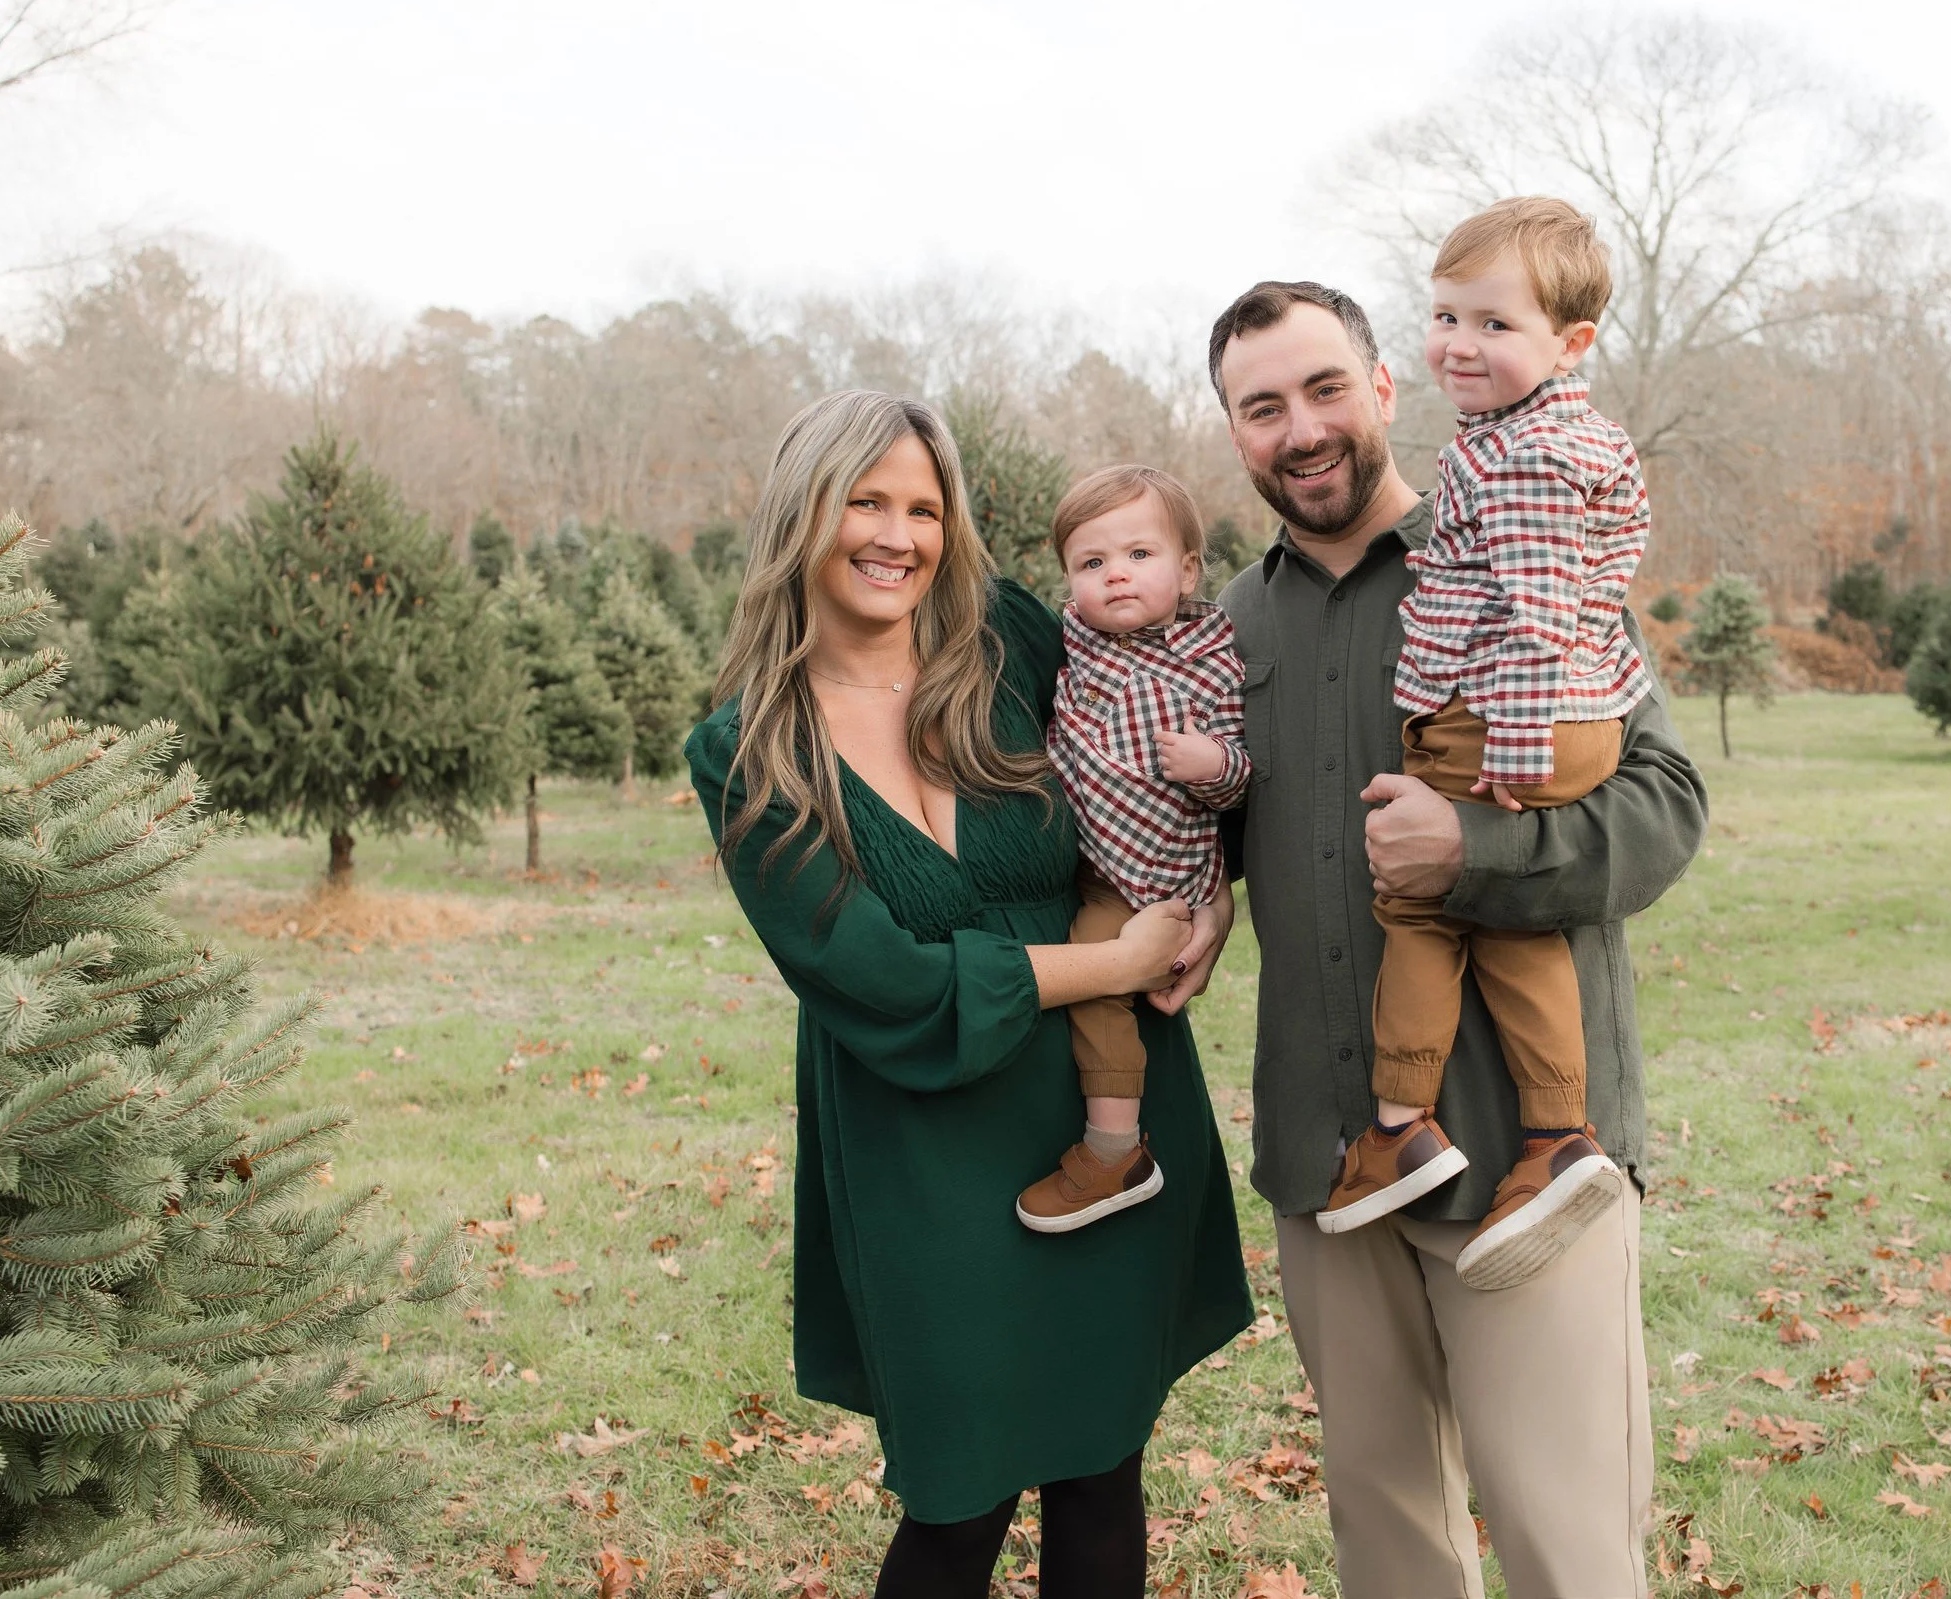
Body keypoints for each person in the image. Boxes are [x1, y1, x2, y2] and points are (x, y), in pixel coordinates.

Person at [684, 390, 1252, 1599]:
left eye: (923, 508)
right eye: (867, 501)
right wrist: (1106, 962)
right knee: (958, 1493)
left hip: (1107, 1119)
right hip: (925, 1136)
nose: (897, 535)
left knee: (1103, 1468)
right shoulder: (749, 748)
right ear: (805, 514)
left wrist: (1215, 890)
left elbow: (1169, 724)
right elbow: (877, 977)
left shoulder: (1006, 635)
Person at [1209, 280, 1707, 1598]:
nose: (1300, 429)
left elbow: (1664, 803)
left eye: (1324, 388)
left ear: (1384, 387)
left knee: (1569, 1550)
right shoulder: (1229, 627)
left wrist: (1477, 852)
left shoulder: (1516, 548)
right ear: (1235, 434)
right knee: (1391, 1549)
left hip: (1525, 1162)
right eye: (1262, 408)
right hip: (1331, 1162)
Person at [1327, 198, 1652, 1295]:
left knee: (1419, 901)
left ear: (1570, 343)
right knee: (1510, 928)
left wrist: (1507, 761)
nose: (1459, 344)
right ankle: (1558, 1133)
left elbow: (1534, 612)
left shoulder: (1519, 457)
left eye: (1493, 324)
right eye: (1444, 315)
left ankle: (1398, 1120)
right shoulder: (1570, 436)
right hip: (1572, 710)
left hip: (1515, 717)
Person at [1018, 464, 1249, 1231]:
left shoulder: (1210, 656)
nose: (1115, 573)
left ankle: (1113, 1146)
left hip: (1154, 870)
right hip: (1078, 853)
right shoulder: (1072, 645)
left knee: (1095, 977)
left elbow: (1243, 773)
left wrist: (1213, 767)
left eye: (1139, 555)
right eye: (1092, 562)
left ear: (1187, 570)